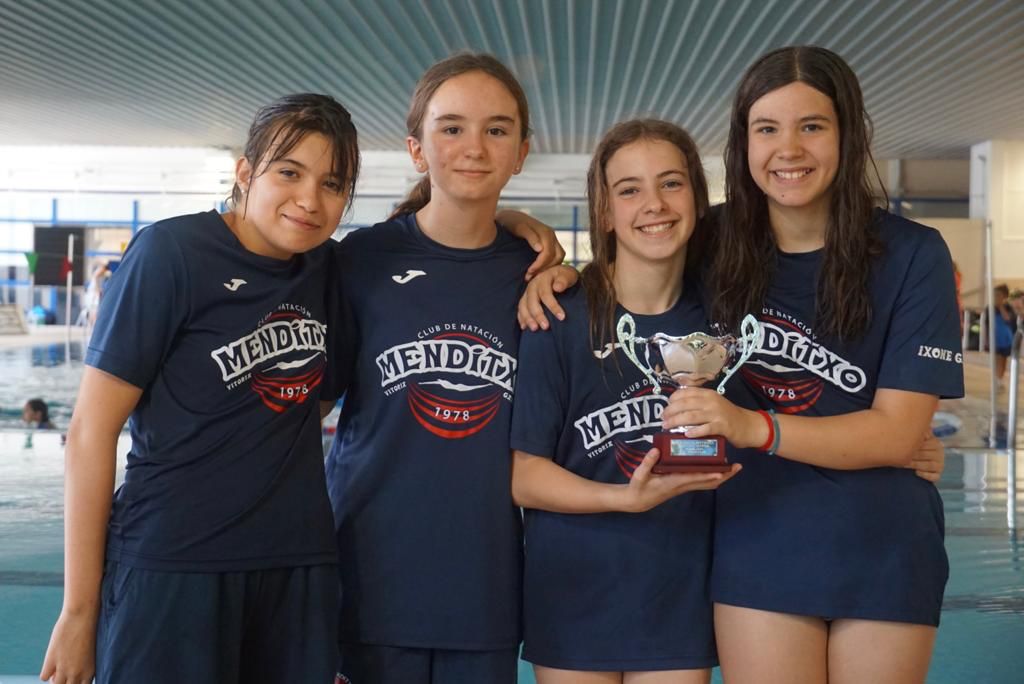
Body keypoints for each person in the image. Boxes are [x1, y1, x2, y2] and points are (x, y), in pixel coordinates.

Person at [660, 46, 964, 684]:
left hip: (884, 540)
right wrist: (538, 247)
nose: (788, 149)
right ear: (744, 141)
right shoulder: (707, 242)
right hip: (758, 534)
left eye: (812, 126)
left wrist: (752, 426)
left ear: (847, 134)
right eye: (767, 128)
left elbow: (897, 433)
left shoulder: (913, 255)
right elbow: (619, 274)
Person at [41, 93, 360, 684]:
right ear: (245, 172)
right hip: (172, 563)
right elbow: (90, 431)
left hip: (297, 568)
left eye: (333, 184)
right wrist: (78, 610)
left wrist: (523, 227)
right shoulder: (171, 254)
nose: (310, 200)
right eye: (289, 173)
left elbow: (315, 402)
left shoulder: (330, 271)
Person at [324, 53, 553, 684]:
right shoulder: (360, 260)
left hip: (483, 588)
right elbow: (303, 406)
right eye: (451, 128)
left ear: (522, 152)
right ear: (416, 149)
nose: (474, 147)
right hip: (368, 578)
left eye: (497, 129)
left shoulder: (538, 277)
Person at [510, 120, 740, 684]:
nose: (654, 204)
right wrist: (623, 499)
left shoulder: (723, 320)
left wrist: (908, 441)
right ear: (606, 211)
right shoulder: (558, 315)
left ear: (698, 199)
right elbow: (523, 475)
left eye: (671, 183)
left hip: (680, 592)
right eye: (629, 189)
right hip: (574, 591)